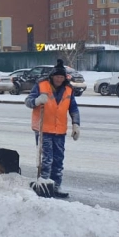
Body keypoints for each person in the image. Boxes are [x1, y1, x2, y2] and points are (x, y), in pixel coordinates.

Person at [24, 59, 80, 197]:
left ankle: (56, 185)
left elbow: (73, 108)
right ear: (52, 76)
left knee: (58, 159)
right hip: (43, 128)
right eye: (57, 76)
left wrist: (76, 124)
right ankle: (44, 184)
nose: (59, 79)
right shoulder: (41, 85)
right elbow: (28, 101)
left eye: (61, 77)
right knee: (46, 158)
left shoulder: (68, 89)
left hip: (59, 130)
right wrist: (37, 101)